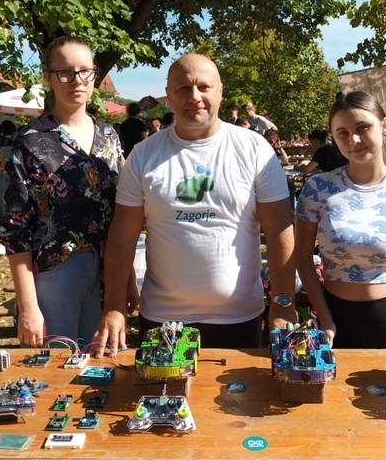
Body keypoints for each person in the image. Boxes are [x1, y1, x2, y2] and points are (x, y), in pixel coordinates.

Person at [92, 53, 296, 355]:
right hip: (162, 318)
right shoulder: (143, 155)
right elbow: (123, 233)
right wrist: (114, 306)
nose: (194, 97)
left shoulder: (254, 149)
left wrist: (283, 304)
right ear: (169, 94)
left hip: (238, 318)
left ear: (220, 91)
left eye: (204, 87)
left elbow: (279, 228)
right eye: (183, 88)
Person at [0, 36, 125, 345]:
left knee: (100, 362)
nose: (77, 80)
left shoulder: (109, 137)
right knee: (57, 362)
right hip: (54, 274)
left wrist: (127, 280)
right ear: (48, 77)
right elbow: (16, 229)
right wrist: (27, 306)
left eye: (85, 71)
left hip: (107, 272)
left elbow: (123, 215)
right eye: (65, 72)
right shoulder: (29, 142)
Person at [292, 91, 386, 349]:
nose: (354, 140)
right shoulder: (317, 189)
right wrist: (325, 319)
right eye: (343, 133)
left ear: (384, 126)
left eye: (363, 128)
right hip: (333, 325)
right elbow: (303, 259)